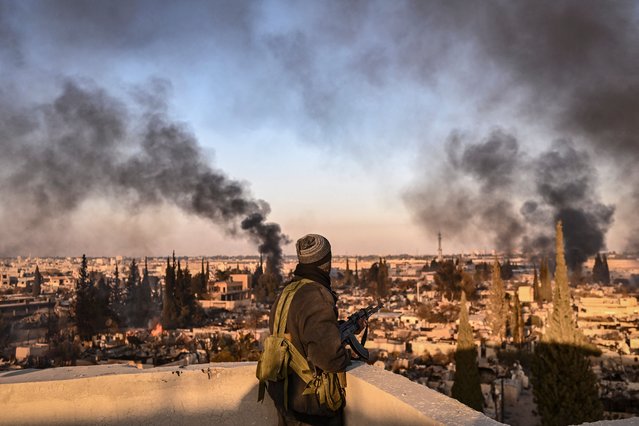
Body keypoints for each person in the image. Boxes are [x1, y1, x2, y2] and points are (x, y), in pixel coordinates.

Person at [266, 234, 350, 426]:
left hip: (286, 400)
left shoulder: (287, 292)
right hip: (311, 407)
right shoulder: (316, 296)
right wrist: (345, 354)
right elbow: (329, 359)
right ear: (326, 262)